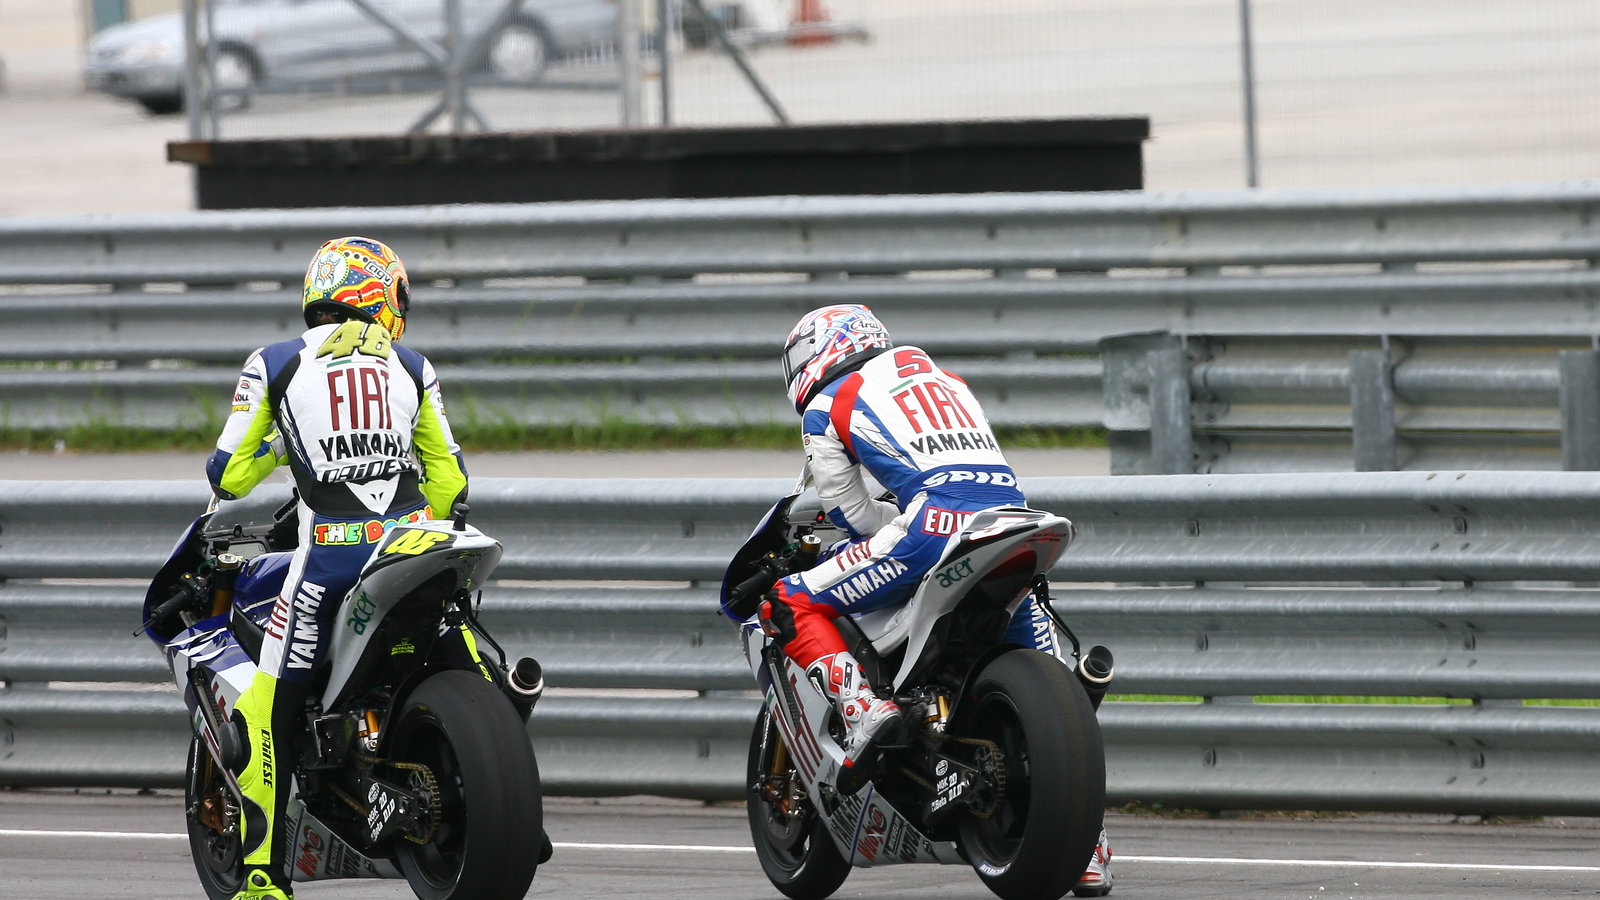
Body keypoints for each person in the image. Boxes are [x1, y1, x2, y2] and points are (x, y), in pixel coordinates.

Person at [760, 303, 1113, 897]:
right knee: (1056, 691)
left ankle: (864, 710)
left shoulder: (829, 402)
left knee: (786, 602)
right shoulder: (945, 379)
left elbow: (853, 516)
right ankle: (1089, 845)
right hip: (1015, 523)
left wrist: (883, 528)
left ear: (821, 351)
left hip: (933, 529)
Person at [207, 236, 469, 900]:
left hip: (330, 558)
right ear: (377, 294)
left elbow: (228, 475)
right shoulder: (413, 364)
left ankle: (262, 873)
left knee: (264, 708)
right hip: (417, 546)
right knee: (466, 644)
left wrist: (280, 442)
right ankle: (502, 804)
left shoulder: (273, 364)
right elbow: (451, 480)